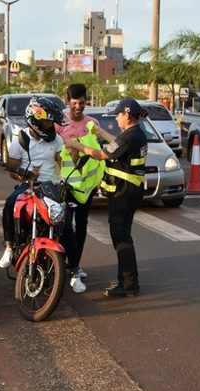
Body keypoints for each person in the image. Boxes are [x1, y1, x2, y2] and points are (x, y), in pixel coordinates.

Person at [64, 98, 148, 298]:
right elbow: (116, 143)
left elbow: (101, 154)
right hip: (129, 193)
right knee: (124, 238)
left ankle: (128, 285)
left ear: (127, 115)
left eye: (118, 115)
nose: (116, 119)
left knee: (121, 240)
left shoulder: (131, 136)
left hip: (123, 194)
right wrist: (100, 132)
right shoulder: (134, 134)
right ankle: (128, 281)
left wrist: (75, 144)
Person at [0, 96, 80, 280]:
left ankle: (75, 269)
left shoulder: (57, 140)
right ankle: (10, 246)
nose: (50, 126)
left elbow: (63, 162)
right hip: (28, 185)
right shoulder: (20, 140)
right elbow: (13, 169)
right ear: (35, 121)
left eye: (51, 123)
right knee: (10, 203)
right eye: (46, 122)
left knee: (65, 222)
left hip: (51, 187)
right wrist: (24, 174)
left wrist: (71, 166)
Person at [56, 84, 105, 293]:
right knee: (63, 224)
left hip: (85, 188)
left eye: (82, 103)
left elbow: (99, 154)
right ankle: (62, 261)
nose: (78, 107)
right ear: (67, 102)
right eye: (74, 103)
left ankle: (75, 263)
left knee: (82, 224)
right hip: (65, 185)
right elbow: (55, 155)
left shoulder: (92, 124)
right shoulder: (59, 125)